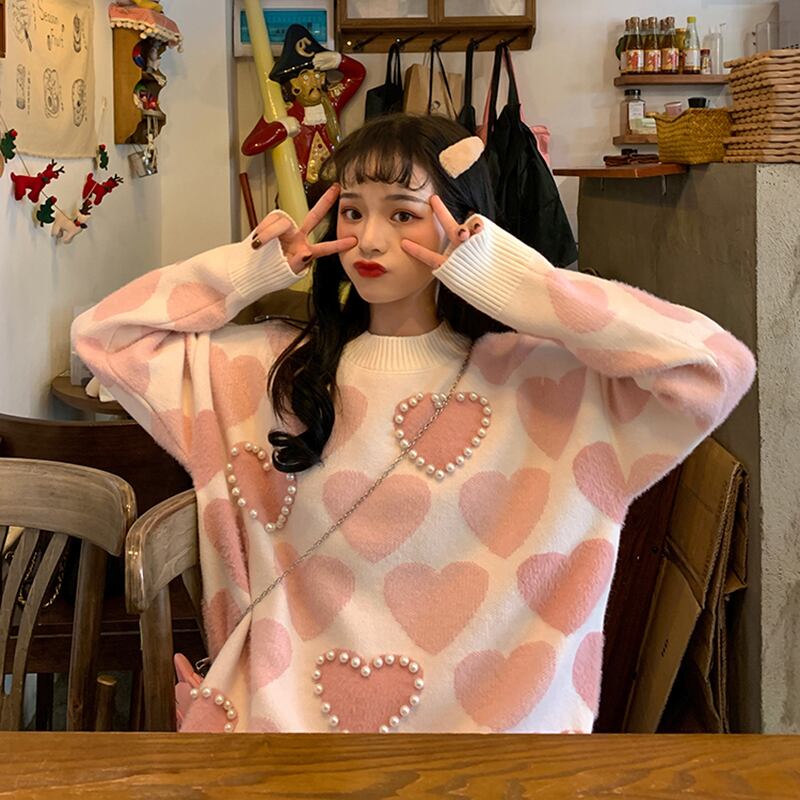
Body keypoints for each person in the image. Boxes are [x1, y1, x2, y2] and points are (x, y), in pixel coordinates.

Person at [72, 113, 756, 734]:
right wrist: (254, 268)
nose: (368, 239)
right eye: (352, 211)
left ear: (463, 225)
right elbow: (103, 337)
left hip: (500, 755)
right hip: (285, 742)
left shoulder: (543, 383)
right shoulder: (269, 371)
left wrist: (514, 282)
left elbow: (714, 367)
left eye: (403, 214)